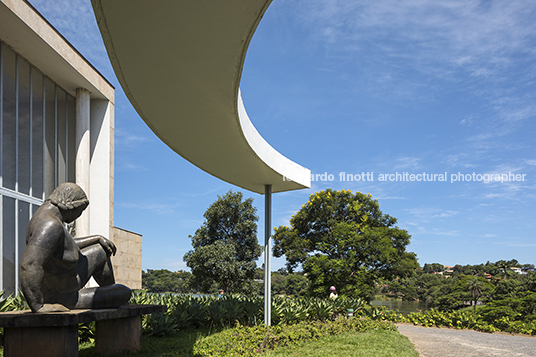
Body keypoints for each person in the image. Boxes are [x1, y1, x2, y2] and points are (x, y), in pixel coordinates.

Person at [20, 183, 132, 313]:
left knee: (101, 250)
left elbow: (65, 245)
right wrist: (38, 305)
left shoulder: (46, 216)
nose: (79, 215)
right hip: (63, 297)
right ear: (70, 205)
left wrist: (96, 238)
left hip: (65, 284)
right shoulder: (50, 225)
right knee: (123, 292)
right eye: (80, 210)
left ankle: (110, 292)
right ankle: (113, 295)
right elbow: (29, 264)